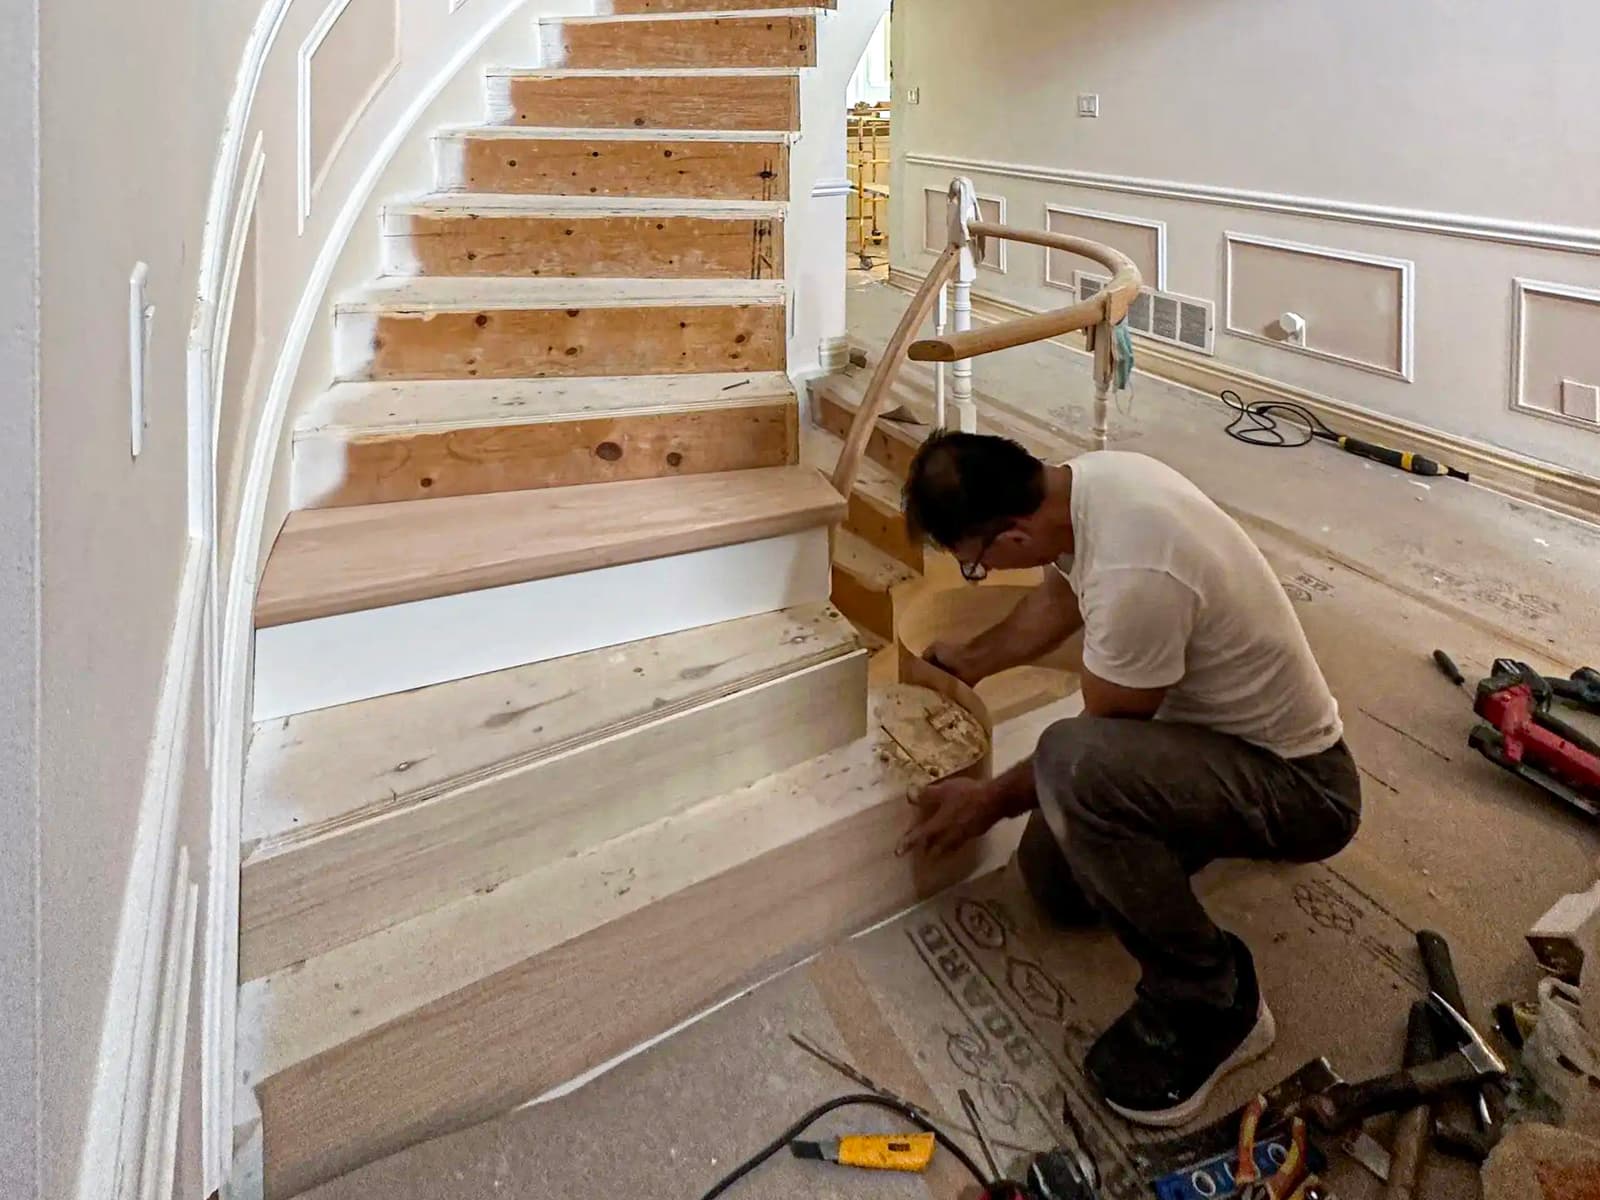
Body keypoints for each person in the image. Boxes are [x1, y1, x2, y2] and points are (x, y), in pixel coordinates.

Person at [894, 431, 1360, 1128]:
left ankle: (1213, 998)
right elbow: (1058, 597)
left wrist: (986, 800)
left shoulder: (1136, 573)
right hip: (1212, 743)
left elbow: (1103, 738)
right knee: (1059, 887)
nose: (977, 576)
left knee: (1070, 763)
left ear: (1014, 535)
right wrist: (966, 662)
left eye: (975, 567)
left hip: (1302, 786)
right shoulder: (1087, 486)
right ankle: (1182, 834)